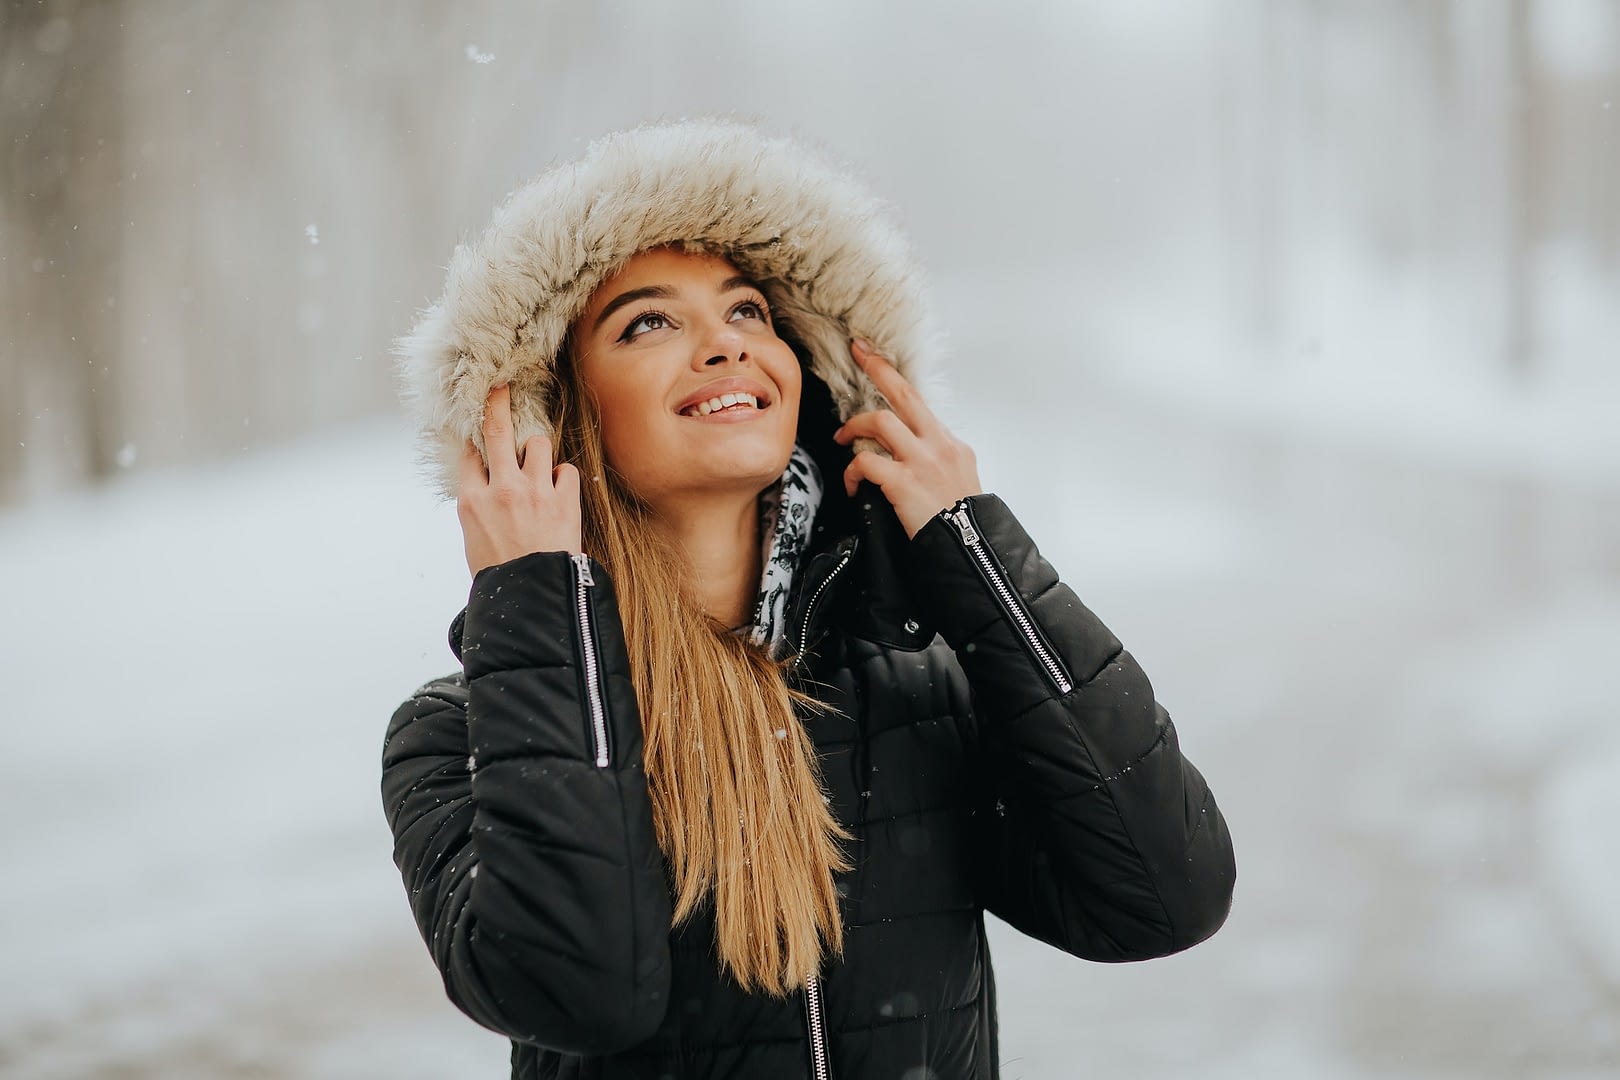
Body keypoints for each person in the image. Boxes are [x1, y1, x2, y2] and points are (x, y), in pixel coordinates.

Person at [383, 119, 1236, 1080]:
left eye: (749, 310)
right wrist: (536, 599)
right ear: (555, 416)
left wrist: (973, 553)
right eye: (648, 322)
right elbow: (582, 992)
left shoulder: (918, 694)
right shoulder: (452, 739)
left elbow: (1168, 894)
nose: (724, 345)